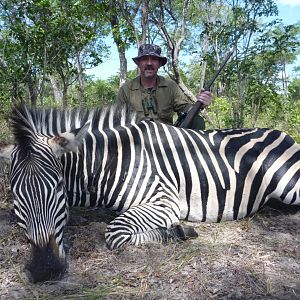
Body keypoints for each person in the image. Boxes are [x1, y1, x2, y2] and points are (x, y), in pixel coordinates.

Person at [116, 44, 212, 129]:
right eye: (145, 59)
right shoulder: (126, 89)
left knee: (197, 121)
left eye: (154, 59)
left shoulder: (170, 86)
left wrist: (201, 104)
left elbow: (185, 109)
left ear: (160, 64)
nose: (149, 63)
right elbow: (118, 120)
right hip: (137, 141)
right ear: (138, 63)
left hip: (166, 140)